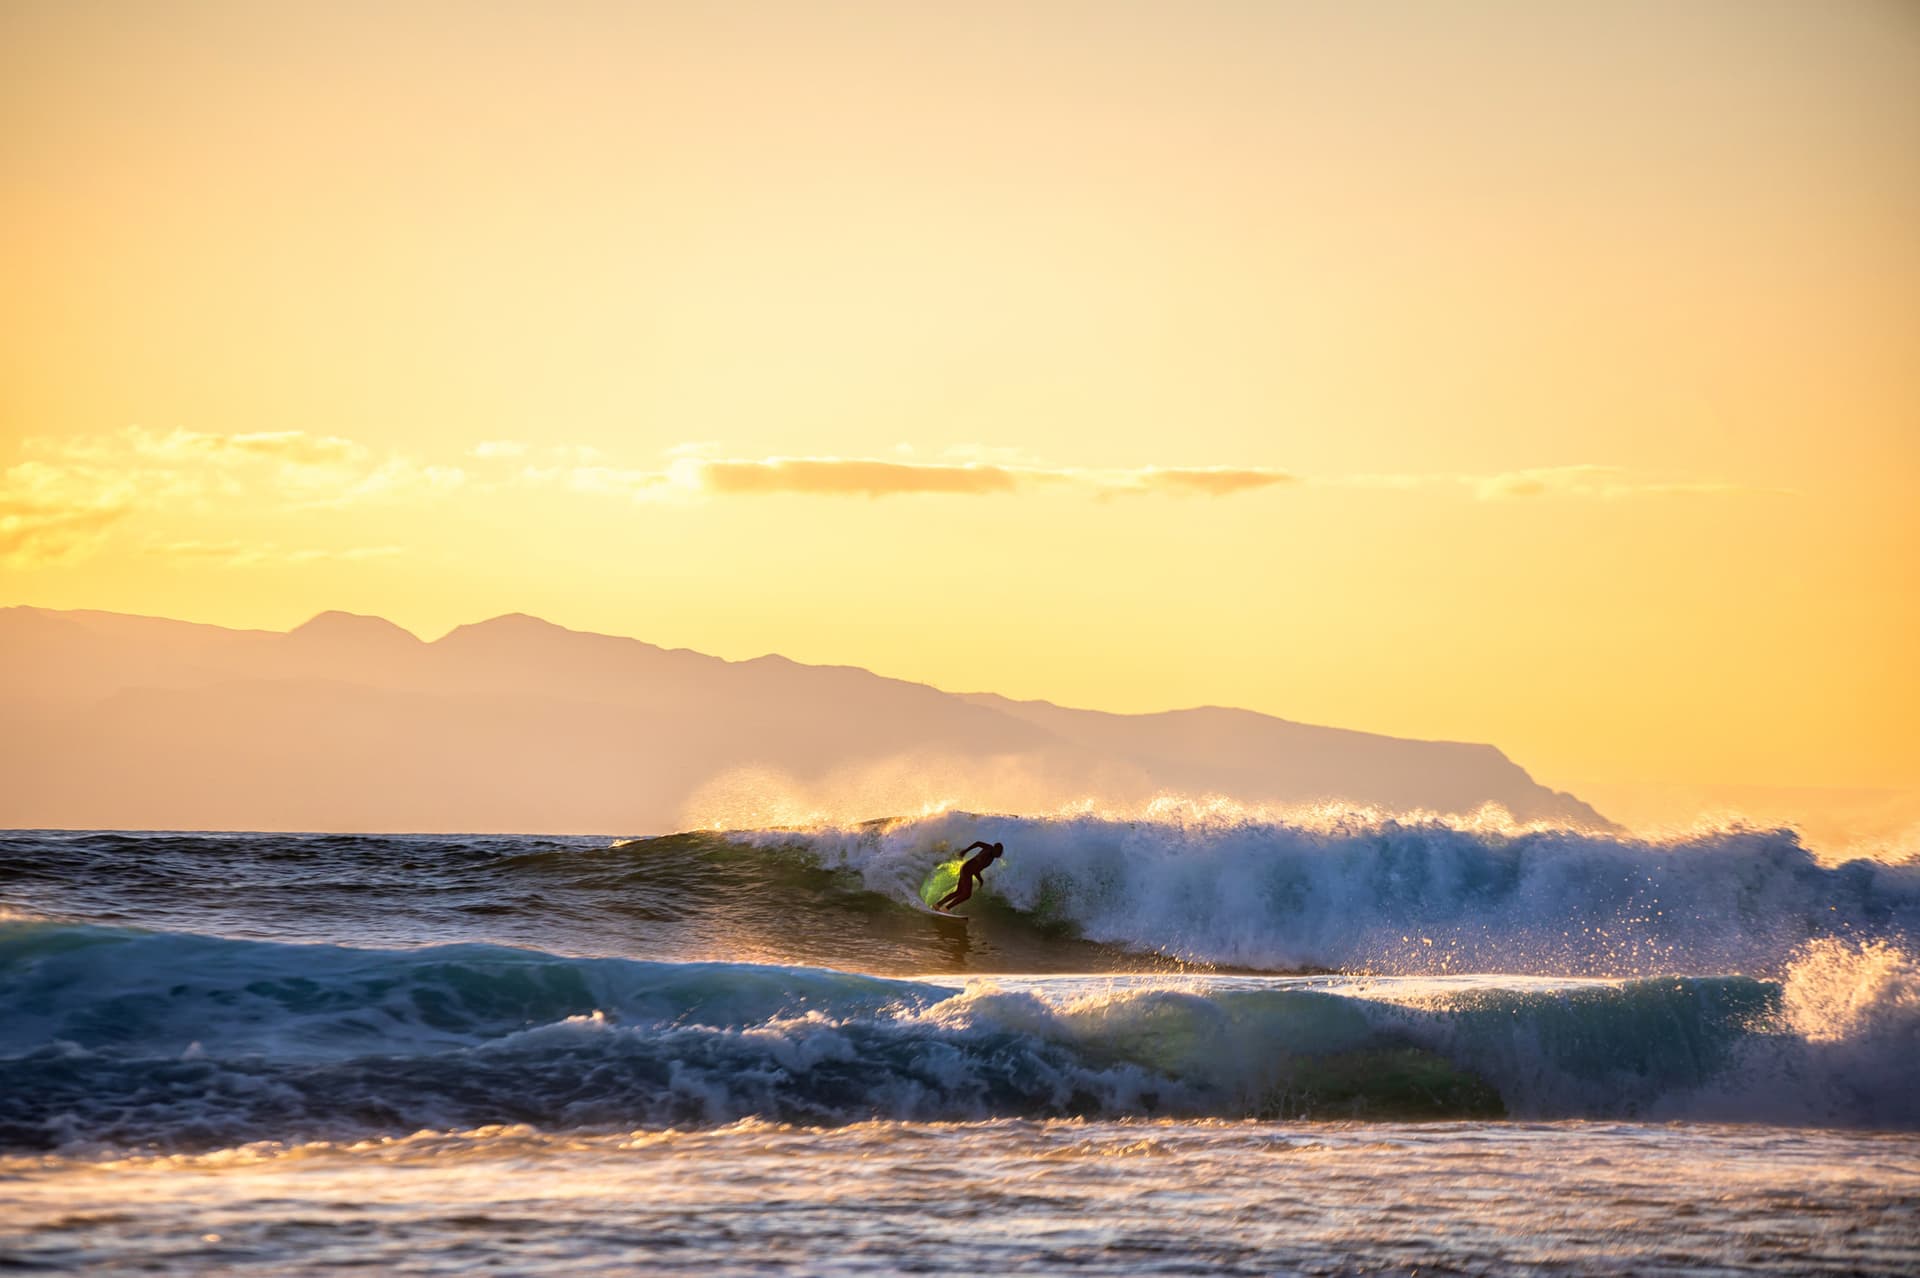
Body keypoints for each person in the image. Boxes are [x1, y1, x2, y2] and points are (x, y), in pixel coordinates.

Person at [936, 840, 1004, 912]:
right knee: (967, 894)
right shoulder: (986, 857)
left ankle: (938, 905)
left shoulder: (989, 849)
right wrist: (965, 851)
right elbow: (976, 869)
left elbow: (978, 843)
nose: (1000, 854)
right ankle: (946, 909)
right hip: (967, 870)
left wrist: (966, 851)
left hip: (966, 868)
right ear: (995, 849)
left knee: (959, 892)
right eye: (999, 852)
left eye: (1000, 852)